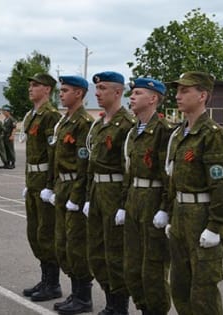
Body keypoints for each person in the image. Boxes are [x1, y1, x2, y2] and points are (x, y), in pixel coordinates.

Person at [165, 71, 223, 315]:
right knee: (180, 286)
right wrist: (169, 214)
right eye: (177, 91)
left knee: (203, 290)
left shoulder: (215, 136)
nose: (178, 95)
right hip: (180, 216)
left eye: (185, 91)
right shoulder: (179, 135)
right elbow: (172, 179)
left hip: (202, 216)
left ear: (202, 95)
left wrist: (215, 225)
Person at [84, 71, 136, 315]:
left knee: (115, 253)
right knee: (96, 251)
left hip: (115, 192)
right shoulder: (99, 123)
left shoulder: (127, 124)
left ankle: (119, 306)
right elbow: (91, 164)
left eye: (103, 88)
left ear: (118, 92)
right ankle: (109, 300)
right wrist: (86, 197)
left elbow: (129, 169)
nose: (97, 92)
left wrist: (124, 204)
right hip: (96, 190)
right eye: (97, 88)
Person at [122, 78, 173, 315]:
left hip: (153, 200)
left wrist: (165, 207)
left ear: (153, 99)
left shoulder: (164, 132)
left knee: (153, 267)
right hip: (134, 198)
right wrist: (124, 204)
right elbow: (128, 170)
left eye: (138, 93)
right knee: (132, 266)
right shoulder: (134, 131)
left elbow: (168, 175)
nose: (132, 97)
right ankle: (143, 309)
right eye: (132, 93)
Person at [49, 75, 94, 315]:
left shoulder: (83, 123)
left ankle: (83, 297)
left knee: (76, 244)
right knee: (63, 243)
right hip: (62, 186)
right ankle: (75, 293)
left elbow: (83, 165)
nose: (61, 94)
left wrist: (77, 198)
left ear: (79, 94)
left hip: (73, 187)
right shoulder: (65, 121)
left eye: (65, 90)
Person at [21, 73, 62, 302]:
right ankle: (45, 279)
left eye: (35, 85)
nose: (31, 88)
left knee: (46, 233)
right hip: (33, 181)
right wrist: (29, 183)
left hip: (44, 183)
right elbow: (30, 155)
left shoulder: (50, 116)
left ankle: (53, 284)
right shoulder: (32, 116)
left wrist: (50, 185)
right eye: (31, 84)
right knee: (34, 233)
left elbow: (52, 154)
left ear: (47, 90)